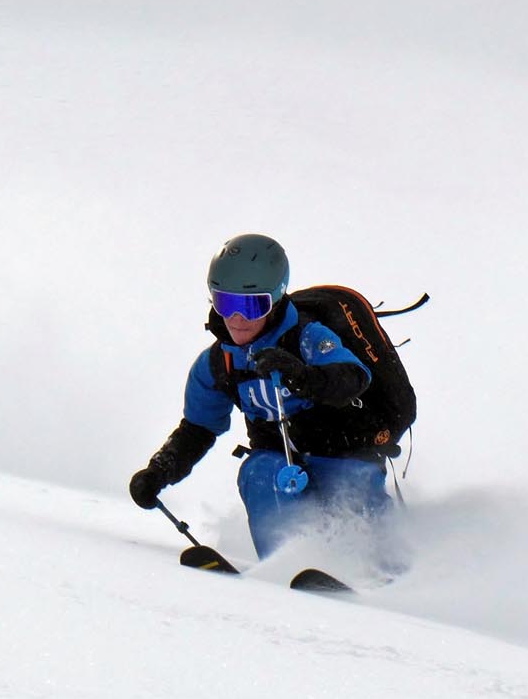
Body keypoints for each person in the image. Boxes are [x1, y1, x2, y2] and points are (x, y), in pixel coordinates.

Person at [129, 233, 393, 561]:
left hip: (343, 454)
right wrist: (159, 471)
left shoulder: (309, 338)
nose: (238, 319)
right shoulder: (218, 364)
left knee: (350, 487)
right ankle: (287, 566)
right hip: (278, 462)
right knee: (260, 475)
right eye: (226, 304)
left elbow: (353, 377)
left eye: (253, 306)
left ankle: (383, 574)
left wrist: (301, 375)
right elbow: (198, 429)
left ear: (277, 300)